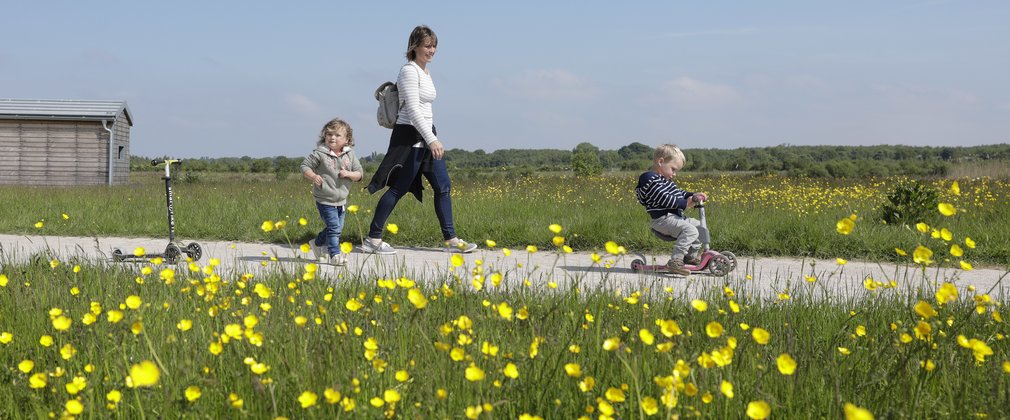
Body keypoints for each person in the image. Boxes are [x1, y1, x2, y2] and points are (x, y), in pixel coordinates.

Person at [363, 24, 477, 255]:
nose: (432, 50)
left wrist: (431, 137)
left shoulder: (425, 71)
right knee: (398, 188)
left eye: (434, 45)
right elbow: (413, 111)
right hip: (410, 135)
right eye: (427, 45)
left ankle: (451, 239)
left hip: (427, 133)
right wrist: (432, 140)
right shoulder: (409, 71)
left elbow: (424, 110)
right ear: (414, 46)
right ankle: (372, 239)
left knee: (443, 186)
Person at [634, 144, 708, 276]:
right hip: (663, 220)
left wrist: (694, 195)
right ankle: (675, 261)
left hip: (675, 218)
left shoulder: (666, 181)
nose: (674, 174)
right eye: (673, 169)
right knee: (690, 230)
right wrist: (686, 204)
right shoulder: (649, 178)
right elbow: (664, 198)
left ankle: (689, 257)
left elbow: (679, 193)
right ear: (661, 162)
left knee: (698, 226)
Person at [301, 118, 363, 265]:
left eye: (337, 135)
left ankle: (317, 243)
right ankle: (335, 255)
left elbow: (359, 174)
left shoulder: (350, 155)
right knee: (334, 228)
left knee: (336, 228)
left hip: (341, 200)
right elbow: (304, 166)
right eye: (329, 134)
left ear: (347, 139)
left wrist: (348, 174)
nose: (332, 138)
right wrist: (313, 176)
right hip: (325, 199)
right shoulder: (320, 153)